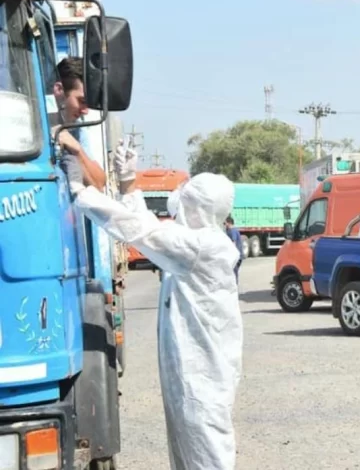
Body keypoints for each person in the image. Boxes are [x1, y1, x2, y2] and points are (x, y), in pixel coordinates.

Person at [65, 144, 244, 470]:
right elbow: (150, 226)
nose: (180, 208)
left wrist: (80, 192)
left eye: (186, 202)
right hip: (192, 381)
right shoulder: (196, 243)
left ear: (199, 208)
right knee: (188, 458)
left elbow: (142, 232)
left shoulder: (203, 249)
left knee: (207, 459)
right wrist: (129, 183)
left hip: (201, 383)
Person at [53, 57, 106, 191]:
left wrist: (77, 150)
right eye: (81, 101)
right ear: (59, 90)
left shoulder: (75, 131)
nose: (86, 111)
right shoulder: (30, 124)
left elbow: (99, 182)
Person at [225, 216, 244, 286]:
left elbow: (234, 243)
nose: (224, 225)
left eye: (225, 223)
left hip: (237, 256)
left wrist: (232, 255)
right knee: (232, 271)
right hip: (237, 255)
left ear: (229, 223)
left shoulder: (233, 230)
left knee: (233, 271)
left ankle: (234, 287)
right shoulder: (230, 230)